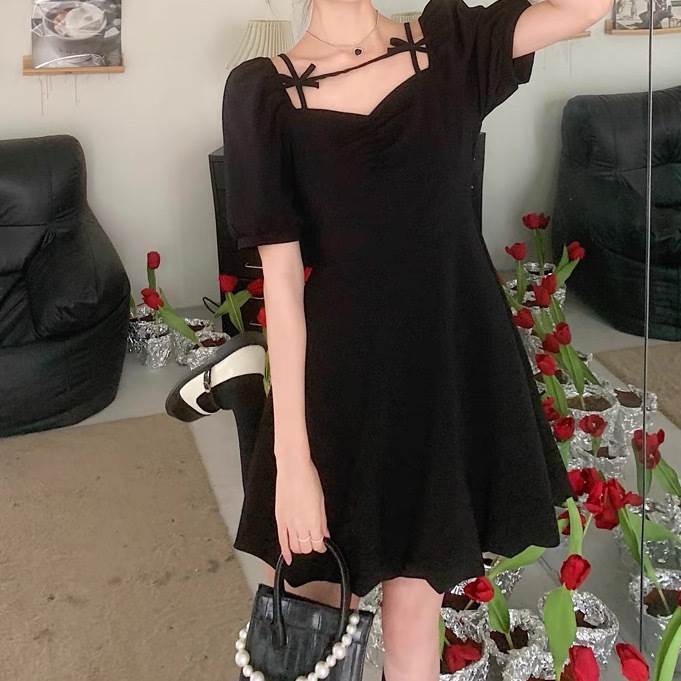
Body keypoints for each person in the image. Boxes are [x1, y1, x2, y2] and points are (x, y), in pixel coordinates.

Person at [219, 1, 611, 679]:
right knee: (311, 614)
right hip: (342, 379)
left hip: (446, 362)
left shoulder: (453, 42)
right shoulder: (262, 92)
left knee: (414, 612)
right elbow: (280, 288)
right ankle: (243, 389)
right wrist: (292, 463)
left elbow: (585, 8)